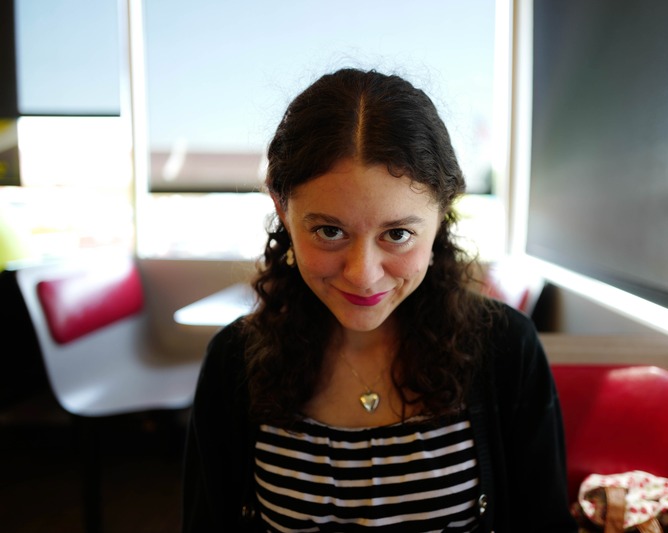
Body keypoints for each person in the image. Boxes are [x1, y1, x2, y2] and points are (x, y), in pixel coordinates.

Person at [182, 67, 577, 532]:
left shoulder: (506, 349)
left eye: (398, 234)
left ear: (442, 216)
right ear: (281, 209)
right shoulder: (234, 363)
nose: (363, 275)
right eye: (329, 231)